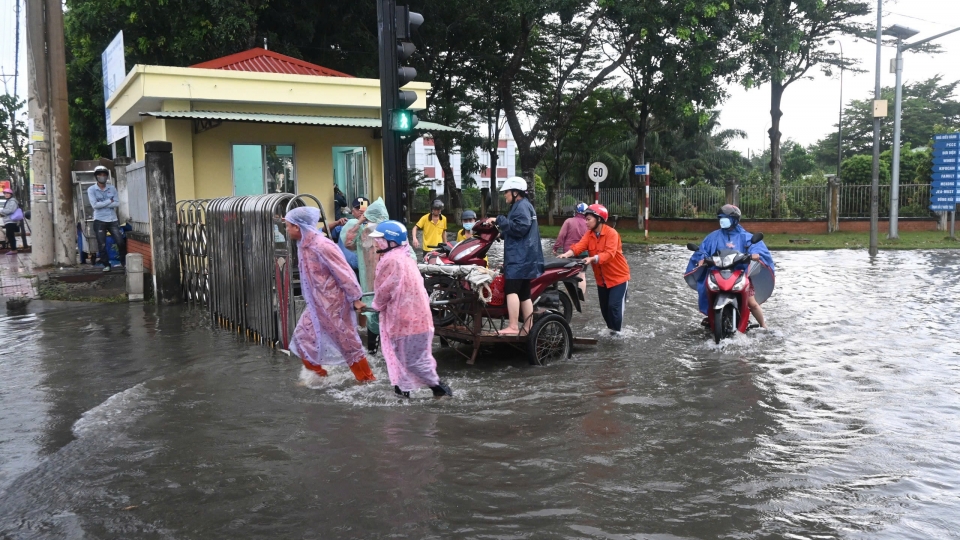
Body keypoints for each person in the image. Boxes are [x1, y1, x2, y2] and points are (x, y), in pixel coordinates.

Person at [284, 206, 376, 382]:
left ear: (297, 226)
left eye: (288, 226)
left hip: (335, 303)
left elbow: (344, 272)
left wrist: (355, 299)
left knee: (347, 342)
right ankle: (320, 376)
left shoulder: (322, 245)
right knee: (303, 337)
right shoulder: (304, 244)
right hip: (316, 304)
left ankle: (367, 380)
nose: (286, 230)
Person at [370, 220, 453, 398]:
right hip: (418, 319)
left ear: (390, 242)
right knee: (409, 360)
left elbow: (384, 290)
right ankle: (404, 395)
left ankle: (441, 391)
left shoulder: (391, 260)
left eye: (380, 240)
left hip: (405, 321)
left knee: (412, 362)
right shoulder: (405, 257)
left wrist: (375, 305)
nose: (377, 243)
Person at [686, 204, 775, 328]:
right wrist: (701, 258)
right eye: (721, 218)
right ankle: (711, 315)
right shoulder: (713, 236)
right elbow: (703, 250)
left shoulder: (745, 236)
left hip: (739, 273)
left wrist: (755, 254)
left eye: (725, 218)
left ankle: (764, 325)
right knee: (707, 291)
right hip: (717, 272)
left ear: (734, 220)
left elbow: (757, 247)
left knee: (752, 303)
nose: (722, 220)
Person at [482, 177, 544, 335]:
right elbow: (517, 231)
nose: (505, 195)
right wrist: (501, 235)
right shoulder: (524, 206)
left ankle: (513, 326)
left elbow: (520, 228)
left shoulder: (520, 206)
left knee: (512, 290)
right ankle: (528, 327)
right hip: (526, 257)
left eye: (507, 192)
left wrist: (499, 219)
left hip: (519, 258)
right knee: (524, 293)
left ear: (516, 192)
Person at [557, 204, 631, 335]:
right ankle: (611, 333)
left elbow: (609, 254)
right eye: (585, 219)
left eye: (588, 219)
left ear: (599, 219)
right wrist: (566, 255)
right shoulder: (589, 234)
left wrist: (592, 259)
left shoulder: (612, 234)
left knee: (614, 307)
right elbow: (578, 247)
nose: (586, 222)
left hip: (618, 278)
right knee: (604, 309)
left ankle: (617, 334)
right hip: (601, 279)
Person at [87, 166, 126, 271]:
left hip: (112, 219)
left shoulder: (112, 188)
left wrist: (104, 203)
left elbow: (117, 203)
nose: (102, 177)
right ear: (96, 176)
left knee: (120, 242)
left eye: (104, 175)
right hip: (99, 220)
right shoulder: (91, 189)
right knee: (102, 244)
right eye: (100, 175)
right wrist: (109, 201)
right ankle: (106, 265)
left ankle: (124, 262)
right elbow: (95, 205)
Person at [553, 202, 589, 299]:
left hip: (569, 253)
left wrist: (555, 247)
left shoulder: (569, 221)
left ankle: (570, 296)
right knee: (582, 274)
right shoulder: (588, 223)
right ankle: (580, 298)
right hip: (584, 252)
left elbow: (561, 236)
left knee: (568, 275)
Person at [0, 188, 22, 255]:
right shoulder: (9, 201)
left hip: (11, 221)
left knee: (10, 235)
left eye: (8, 193)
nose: (6, 195)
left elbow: (11, 210)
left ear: (11, 194)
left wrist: (1, 211)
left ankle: (14, 249)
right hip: (9, 221)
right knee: (9, 235)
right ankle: (13, 249)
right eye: (5, 193)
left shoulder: (12, 201)